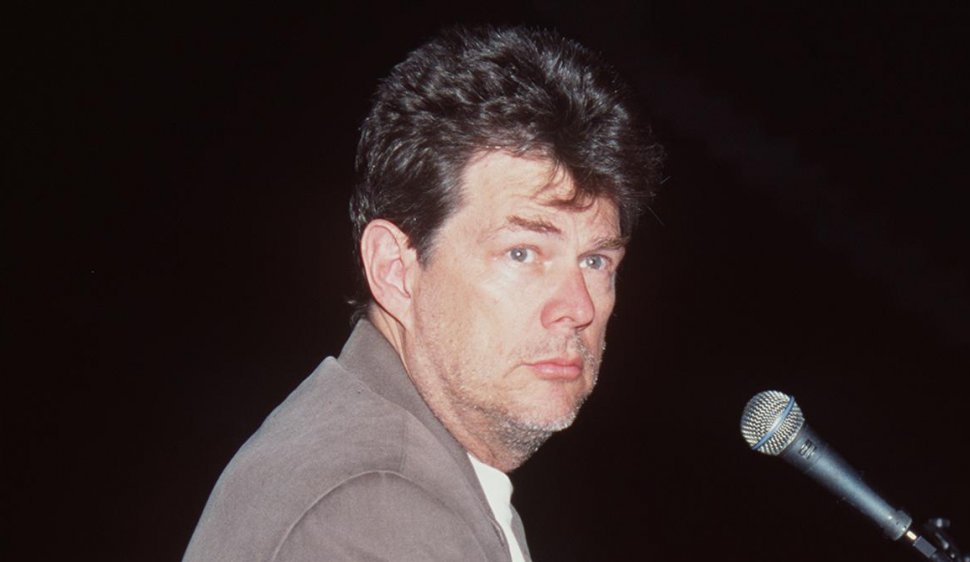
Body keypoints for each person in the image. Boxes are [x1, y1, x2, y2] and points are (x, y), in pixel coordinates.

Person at [183, 25, 662, 562]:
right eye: (522, 253)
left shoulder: (417, 472)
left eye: (596, 261)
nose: (579, 307)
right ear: (395, 268)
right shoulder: (373, 508)